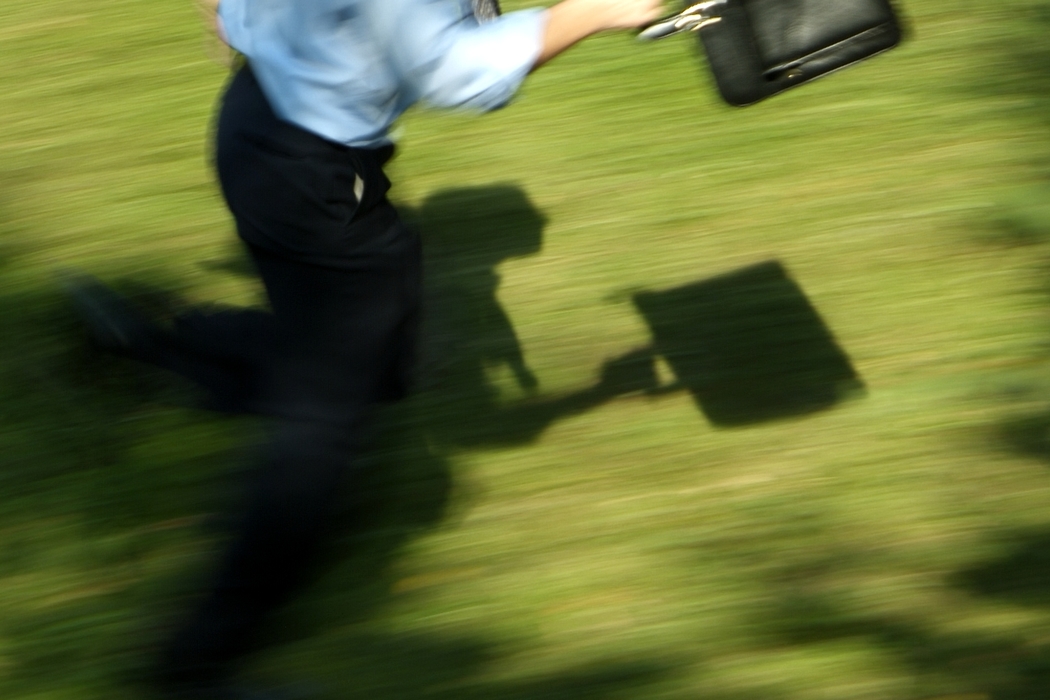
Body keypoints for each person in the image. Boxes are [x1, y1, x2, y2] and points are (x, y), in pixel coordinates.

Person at [67, 0, 663, 697]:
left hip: (263, 127)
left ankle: (159, 346)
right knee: (324, 426)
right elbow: (457, 71)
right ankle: (198, 663)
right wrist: (587, 14)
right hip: (310, 176)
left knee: (384, 356)